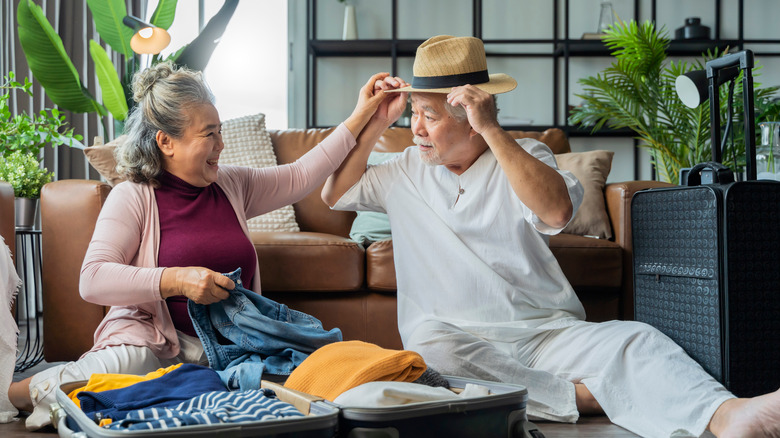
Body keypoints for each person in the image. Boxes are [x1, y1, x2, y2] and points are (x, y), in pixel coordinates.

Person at [321, 35, 780, 438]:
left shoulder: (527, 156)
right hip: (460, 341)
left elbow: (556, 210)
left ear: (470, 113)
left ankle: (731, 415)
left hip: (546, 333)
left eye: (430, 115)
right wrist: (373, 120)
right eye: (414, 113)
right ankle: (581, 399)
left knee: (635, 339)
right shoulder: (403, 170)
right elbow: (333, 193)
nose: (416, 128)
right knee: (429, 349)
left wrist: (493, 130)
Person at [2, 61, 393, 430]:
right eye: (209, 134)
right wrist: (177, 280)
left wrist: (364, 115)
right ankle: (16, 393)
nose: (221, 144)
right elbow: (92, 279)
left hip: (232, 349)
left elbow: (301, 174)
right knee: (113, 375)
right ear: (166, 142)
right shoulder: (134, 197)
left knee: (311, 380)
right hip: (153, 345)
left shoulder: (232, 184)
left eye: (219, 130)